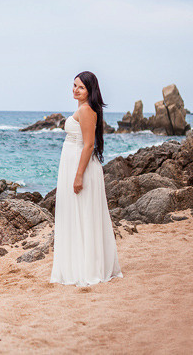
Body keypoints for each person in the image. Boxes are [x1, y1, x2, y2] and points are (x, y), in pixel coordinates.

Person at [50, 71, 122, 286]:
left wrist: (78, 175)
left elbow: (89, 145)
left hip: (80, 168)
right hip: (72, 164)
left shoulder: (87, 110)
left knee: (84, 216)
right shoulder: (82, 109)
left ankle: (87, 268)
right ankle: (76, 265)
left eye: (80, 87)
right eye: (74, 85)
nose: (75, 89)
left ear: (90, 90)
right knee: (75, 216)